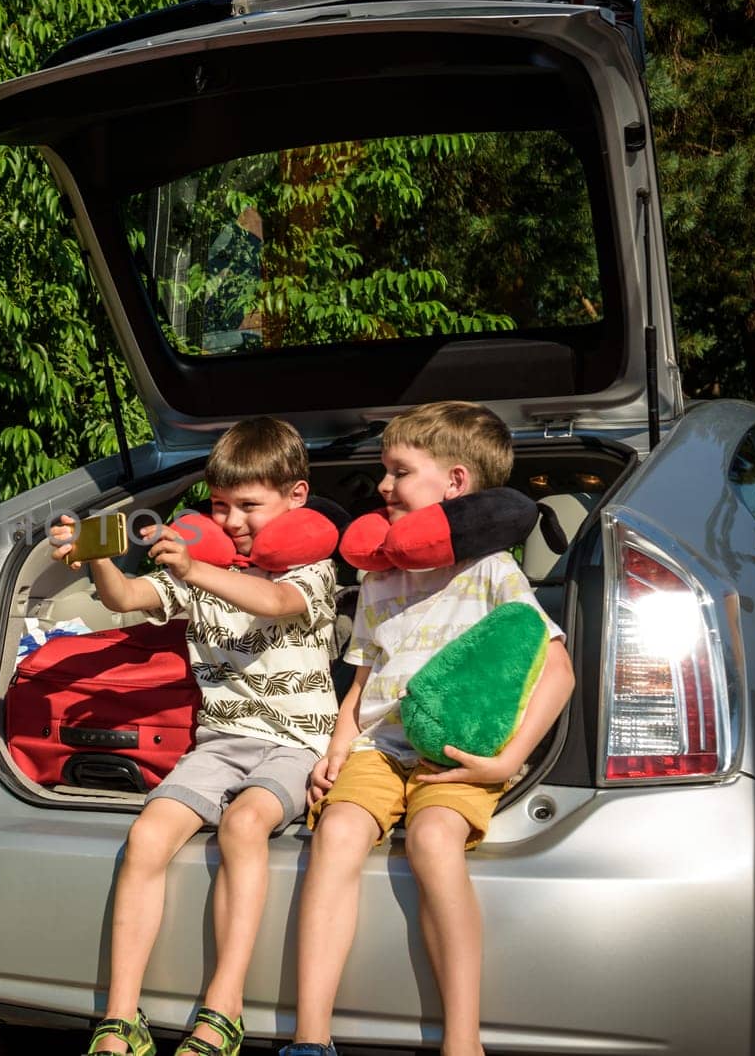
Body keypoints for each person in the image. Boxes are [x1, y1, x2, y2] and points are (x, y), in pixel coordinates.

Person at [278, 401, 575, 1056]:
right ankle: (310, 1035)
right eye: (384, 472)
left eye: (399, 471)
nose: (382, 486)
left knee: (435, 842)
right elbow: (360, 680)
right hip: (378, 749)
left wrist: (504, 763)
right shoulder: (379, 577)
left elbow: (557, 670)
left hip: (457, 753)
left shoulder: (493, 572)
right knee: (336, 836)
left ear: (456, 483)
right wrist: (335, 750)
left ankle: (461, 1040)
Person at [51, 416, 339, 1056]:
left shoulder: (314, 570)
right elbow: (124, 595)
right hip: (219, 744)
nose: (233, 521)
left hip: (297, 745)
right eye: (219, 506)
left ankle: (222, 1008)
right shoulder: (195, 571)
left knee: (243, 826)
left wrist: (193, 567)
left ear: (296, 497)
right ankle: (121, 1018)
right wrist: (96, 557)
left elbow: (272, 604)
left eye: (249, 506)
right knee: (148, 833)